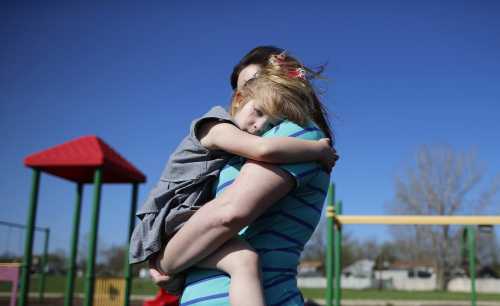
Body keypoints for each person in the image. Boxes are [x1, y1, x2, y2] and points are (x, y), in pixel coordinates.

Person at [130, 49, 338, 305]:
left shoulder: (293, 134)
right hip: (173, 222)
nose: (259, 124)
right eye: (244, 90)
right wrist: (172, 267)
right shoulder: (221, 133)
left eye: (260, 83)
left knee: (243, 260)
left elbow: (227, 213)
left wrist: (167, 262)